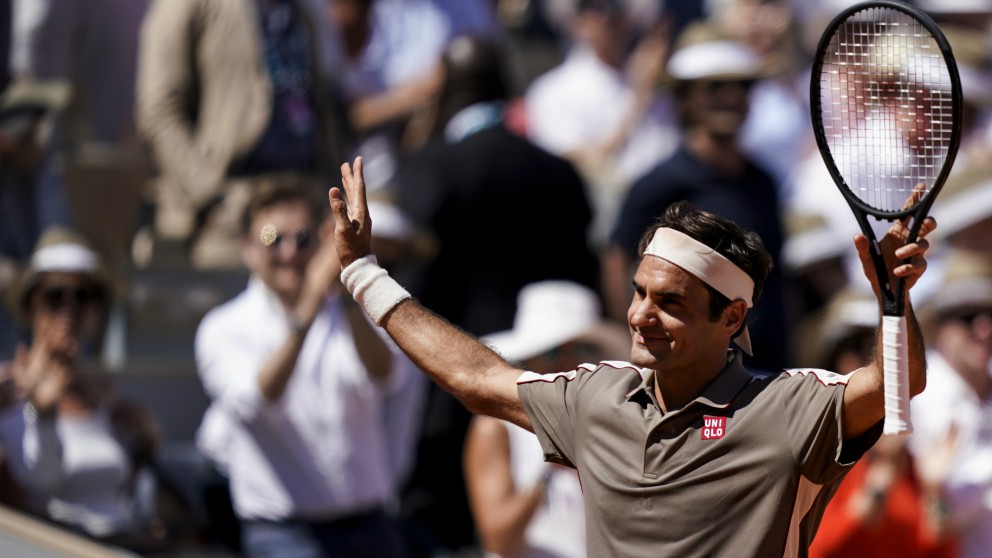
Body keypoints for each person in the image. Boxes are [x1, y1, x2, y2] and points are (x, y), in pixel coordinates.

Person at [327, 155, 934, 556]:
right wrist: (362, 273)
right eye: (639, 292)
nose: (641, 315)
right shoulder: (595, 398)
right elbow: (474, 376)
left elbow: (895, 384)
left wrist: (893, 301)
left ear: (732, 318)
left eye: (670, 302)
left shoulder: (789, 406)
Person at [388, 35, 600, 555]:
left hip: (449, 386)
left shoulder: (427, 169)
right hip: (550, 376)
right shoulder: (559, 172)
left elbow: (409, 286)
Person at [193, 174, 408, 557]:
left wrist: (345, 296)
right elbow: (256, 401)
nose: (289, 251)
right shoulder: (223, 327)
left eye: (303, 238)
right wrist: (310, 302)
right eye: (270, 239)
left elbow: (388, 376)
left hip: (371, 525)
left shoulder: (351, 312)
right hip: (285, 534)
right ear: (246, 248)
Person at [602, 22, 789, 373]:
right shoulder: (658, 184)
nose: (731, 97)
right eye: (715, 86)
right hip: (693, 381)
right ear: (684, 98)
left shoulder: (764, 181)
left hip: (770, 372)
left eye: (742, 85)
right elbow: (616, 261)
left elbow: (779, 279)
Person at [136, 0, 351, 268]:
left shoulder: (304, 12)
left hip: (304, 213)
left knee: (314, 308)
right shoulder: (189, 6)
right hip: (230, 219)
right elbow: (160, 112)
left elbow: (324, 113)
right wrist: (210, 196)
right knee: (237, 306)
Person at [0, 227, 173, 552]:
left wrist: (146, 447)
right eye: (55, 295)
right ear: (31, 306)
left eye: (83, 296)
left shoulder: (105, 396)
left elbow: (129, 492)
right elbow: (41, 484)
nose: (69, 309)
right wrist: (45, 413)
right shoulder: (6, 390)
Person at [465, 280, 628, 558]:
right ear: (529, 360)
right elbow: (499, 541)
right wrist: (550, 470)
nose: (569, 365)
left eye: (582, 350)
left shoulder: (613, 422)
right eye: (552, 352)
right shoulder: (496, 428)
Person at [908, 250, 992, 558]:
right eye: (969, 317)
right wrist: (934, 490)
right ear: (940, 327)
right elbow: (928, 530)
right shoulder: (916, 399)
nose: (984, 329)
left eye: (990, 315)